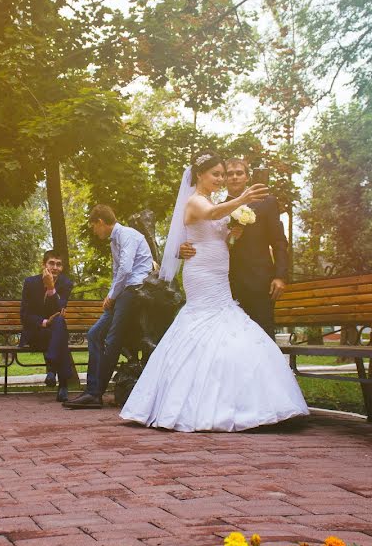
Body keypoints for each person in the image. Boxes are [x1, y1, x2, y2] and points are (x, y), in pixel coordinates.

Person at [119, 153, 309, 431]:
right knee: (203, 326)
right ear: (199, 175)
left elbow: (214, 230)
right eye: (216, 174)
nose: (221, 179)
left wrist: (232, 234)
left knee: (227, 331)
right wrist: (242, 200)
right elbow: (207, 216)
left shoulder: (213, 201)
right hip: (203, 276)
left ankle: (244, 400)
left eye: (224, 174)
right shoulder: (197, 200)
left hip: (222, 276)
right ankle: (192, 403)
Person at [179, 158, 289, 337]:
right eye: (229, 174)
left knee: (263, 334)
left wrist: (280, 275)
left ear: (247, 177)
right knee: (231, 336)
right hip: (226, 283)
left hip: (259, 281)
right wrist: (182, 248)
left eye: (239, 173)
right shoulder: (216, 205)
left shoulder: (267, 202)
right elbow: (203, 233)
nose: (234, 177)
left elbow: (279, 241)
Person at [64, 205, 153, 409]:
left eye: (94, 227)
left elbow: (126, 268)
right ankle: (91, 390)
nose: (95, 232)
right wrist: (111, 294)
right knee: (95, 333)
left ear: (100, 222)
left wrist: (112, 296)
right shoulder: (115, 239)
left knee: (112, 340)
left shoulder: (128, 235)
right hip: (123, 291)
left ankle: (95, 394)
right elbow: (117, 271)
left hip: (134, 291)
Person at [19, 250, 75, 402]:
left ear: (62, 268)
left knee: (59, 322)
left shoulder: (66, 284)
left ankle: (51, 368)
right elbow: (25, 314)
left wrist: (51, 289)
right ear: (44, 265)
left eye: (59, 264)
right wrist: (44, 322)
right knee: (59, 331)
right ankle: (62, 384)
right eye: (51, 263)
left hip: (55, 331)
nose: (55, 267)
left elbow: (60, 308)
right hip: (36, 332)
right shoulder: (30, 283)